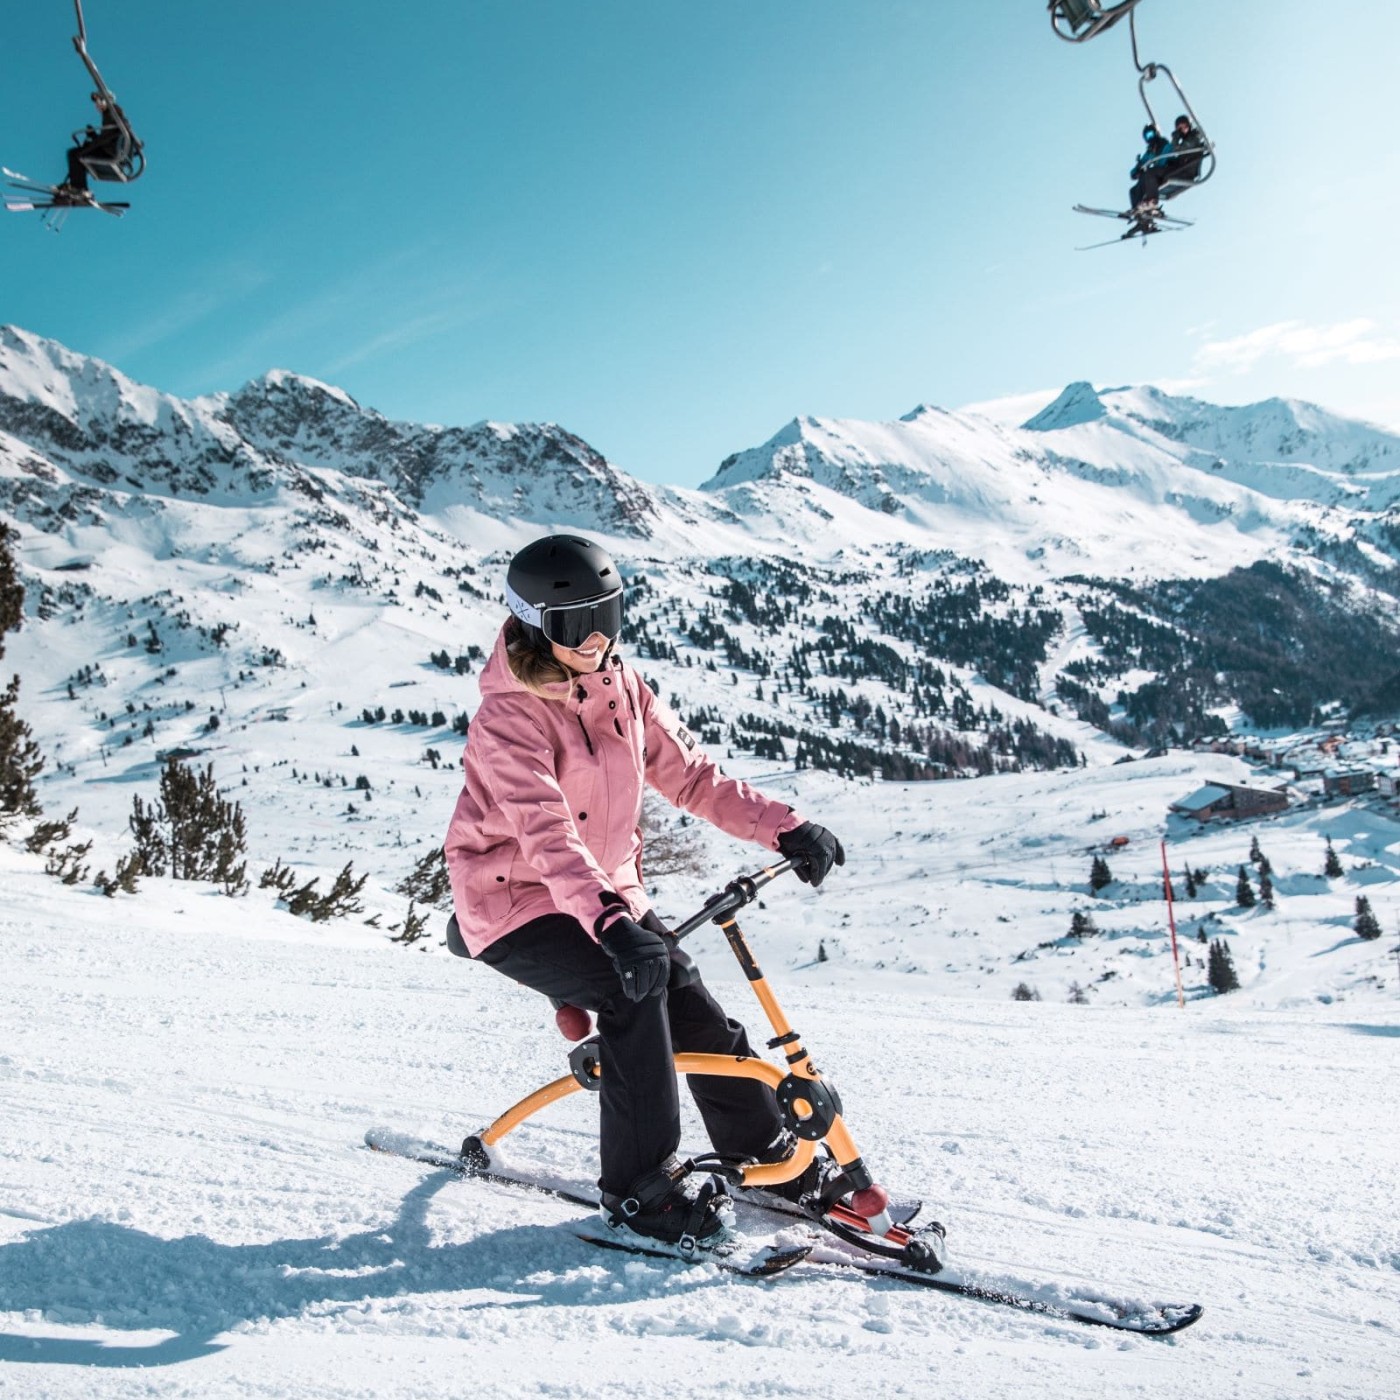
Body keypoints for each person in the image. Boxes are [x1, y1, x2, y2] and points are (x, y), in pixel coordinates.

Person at [443, 534, 846, 1256]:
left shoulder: (619, 686)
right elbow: (546, 836)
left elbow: (690, 776)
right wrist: (608, 922)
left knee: (687, 998)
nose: (596, 640)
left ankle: (766, 1158)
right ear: (534, 623)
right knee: (634, 995)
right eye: (576, 625)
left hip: (605, 896)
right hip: (513, 901)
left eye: (610, 617)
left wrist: (785, 828)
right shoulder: (509, 717)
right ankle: (639, 1191)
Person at [59, 91, 122, 199]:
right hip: (109, 149)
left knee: (75, 154)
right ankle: (77, 186)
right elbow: (107, 135)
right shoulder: (108, 115)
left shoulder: (113, 111)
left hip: (110, 152)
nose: (97, 104)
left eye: (100, 100)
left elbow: (117, 129)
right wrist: (93, 136)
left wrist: (91, 145)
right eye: (96, 102)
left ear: (108, 100)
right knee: (80, 154)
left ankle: (79, 188)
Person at [1127, 122, 1171, 228]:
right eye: (1147, 136)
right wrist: (1136, 171)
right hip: (1155, 174)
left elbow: (1164, 159)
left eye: (1151, 134)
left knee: (1148, 173)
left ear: (1156, 133)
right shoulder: (1150, 150)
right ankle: (1141, 216)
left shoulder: (1165, 144)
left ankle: (1152, 202)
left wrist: (1148, 168)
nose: (1149, 138)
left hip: (1168, 170)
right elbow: (1142, 162)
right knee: (1133, 190)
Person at [1162, 113, 1205, 188]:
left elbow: (1178, 150)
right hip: (1183, 167)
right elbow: (1175, 151)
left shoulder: (1194, 138)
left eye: (1185, 126)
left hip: (1188, 171)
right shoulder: (1187, 139)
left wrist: (1175, 138)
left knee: (1164, 176)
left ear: (1189, 126)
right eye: (1179, 129)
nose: (1183, 130)